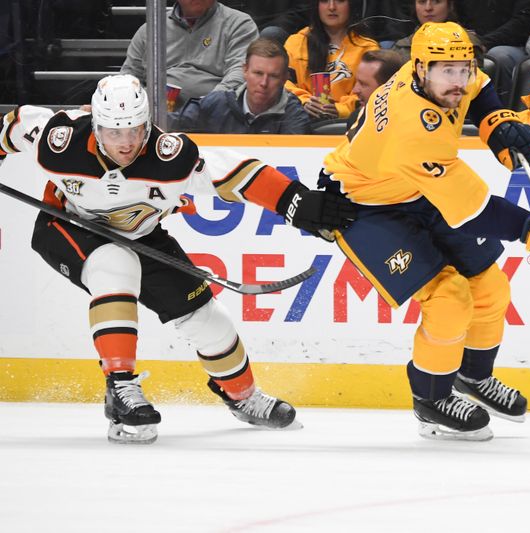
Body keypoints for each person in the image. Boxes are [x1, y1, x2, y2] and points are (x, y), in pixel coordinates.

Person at [0, 74, 356, 444]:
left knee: (208, 320)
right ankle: (120, 389)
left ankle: (243, 397)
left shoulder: (170, 156)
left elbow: (238, 173)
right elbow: (16, 125)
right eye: (114, 133)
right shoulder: (61, 140)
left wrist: (294, 200)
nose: (126, 143)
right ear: (96, 124)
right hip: (67, 226)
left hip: (140, 236)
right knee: (115, 266)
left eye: (135, 130)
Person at [320, 22, 530, 441]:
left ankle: (473, 377)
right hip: (361, 204)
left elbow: (480, 89)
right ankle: (431, 399)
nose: (458, 81)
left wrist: (497, 123)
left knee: (491, 287)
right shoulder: (412, 127)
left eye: (462, 68)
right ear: (420, 69)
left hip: (412, 186)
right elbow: (476, 213)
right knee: (449, 298)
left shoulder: (435, 73)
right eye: (447, 71)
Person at [120, 0, 259, 109]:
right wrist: (143, 104)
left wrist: (205, 105)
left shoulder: (239, 24)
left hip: (215, 116)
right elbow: (128, 78)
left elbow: (240, 74)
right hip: (155, 116)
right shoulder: (150, 29)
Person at [170, 38, 311, 134]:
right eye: (258, 73)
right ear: (245, 71)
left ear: (285, 78)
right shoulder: (216, 103)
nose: (263, 83)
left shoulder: (295, 116)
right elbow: (169, 125)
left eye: (273, 76)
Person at [284, 0, 379, 121]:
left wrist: (340, 109)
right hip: (300, 117)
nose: (332, 7)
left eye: (339, 1)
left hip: (347, 122)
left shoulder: (368, 48)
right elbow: (284, 83)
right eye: (324, 1)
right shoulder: (295, 43)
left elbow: (371, 90)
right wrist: (305, 102)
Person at [454, 0, 530, 105]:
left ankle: (500, 111)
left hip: (518, 44)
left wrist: (485, 42)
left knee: (499, 56)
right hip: (475, 40)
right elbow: (456, 15)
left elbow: (526, 21)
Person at [392, 0, 485, 66]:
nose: (428, 8)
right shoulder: (401, 46)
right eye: (422, 2)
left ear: (450, 6)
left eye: (437, 1)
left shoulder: (468, 42)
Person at [347, 49, 404, 127]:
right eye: (356, 81)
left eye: (363, 84)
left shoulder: (409, 124)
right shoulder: (356, 118)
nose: (354, 90)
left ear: (387, 87)